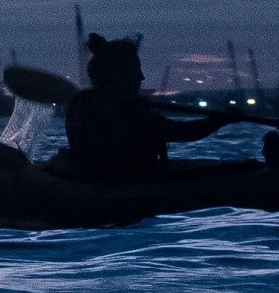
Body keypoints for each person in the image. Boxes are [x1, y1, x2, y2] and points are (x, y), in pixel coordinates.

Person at [51, 32, 241, 183]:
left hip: (92, 179)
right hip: (122, 184)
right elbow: (181, 132)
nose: (141, 78)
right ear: (115, 75)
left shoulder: (80, 101)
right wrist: (221, 120)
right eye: (134, 71)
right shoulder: (127, 109)